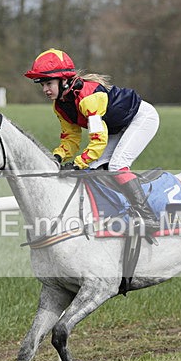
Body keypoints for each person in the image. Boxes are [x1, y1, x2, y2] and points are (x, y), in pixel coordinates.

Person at [24, 48, 161, 232]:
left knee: (117, 166)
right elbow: (71, 138)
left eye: (49, 83)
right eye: (42, 85)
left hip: (140, 118)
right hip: (115, 128)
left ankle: (149, 217)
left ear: (64, 80)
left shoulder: (88, 97)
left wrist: (78, 163)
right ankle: (117, 213)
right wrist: (56, 157)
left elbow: (98, 139)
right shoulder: (60, 106)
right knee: (93, 169)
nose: (45, 90)